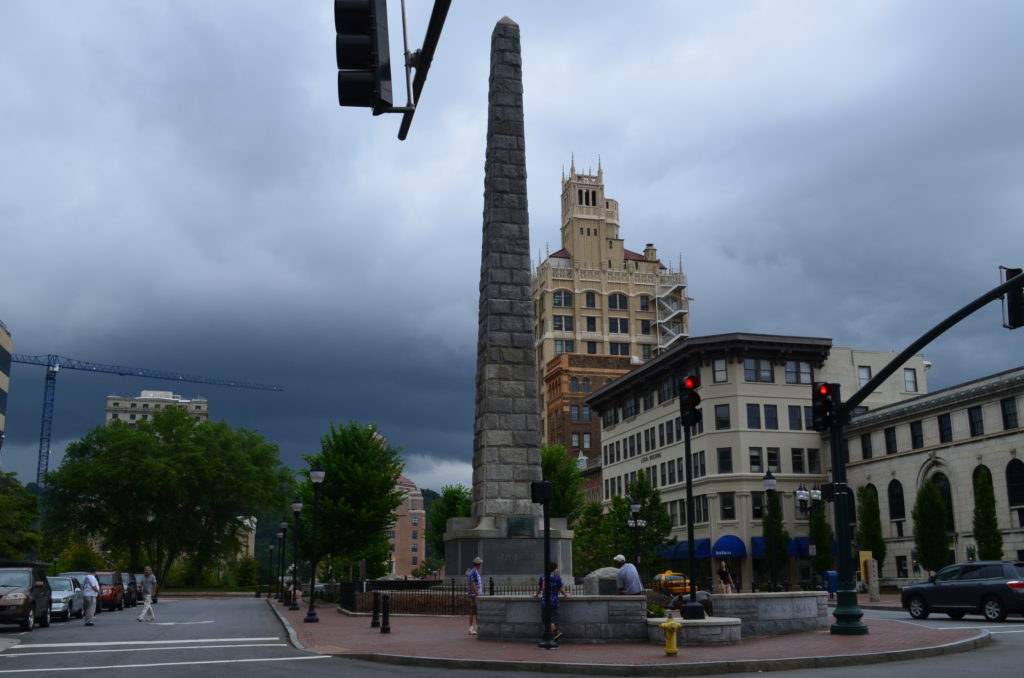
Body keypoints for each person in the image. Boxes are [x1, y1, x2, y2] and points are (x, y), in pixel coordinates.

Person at [535, 561, 569, 641]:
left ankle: (554, 634)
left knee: (545, 619)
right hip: (554, 601)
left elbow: (540, 588)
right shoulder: (557, 577)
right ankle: (556, 632)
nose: (557, 570)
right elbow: (560, 588)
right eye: (556, 568)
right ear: (554, 569)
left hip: (544, 601)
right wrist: (565, 594)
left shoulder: (543, 577)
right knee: (554, 619)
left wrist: (536, 595)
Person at [466, 556, 483, 635]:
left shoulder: (474, 571)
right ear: (478, 564)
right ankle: (471, 628)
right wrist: (477, 593)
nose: (481, 565)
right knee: (473, 611)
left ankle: (476, 627)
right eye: (480, 564)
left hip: (474, 594)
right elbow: (473, 584)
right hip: (474, 595)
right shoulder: (474, 572)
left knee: (476, 612)